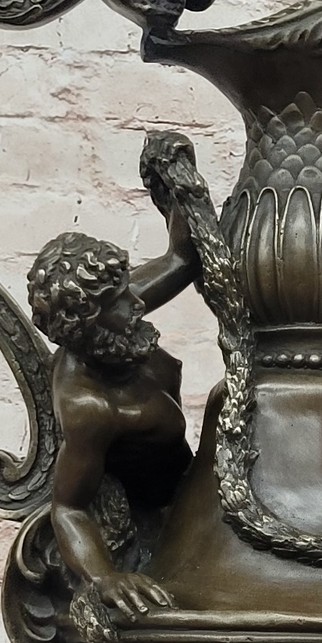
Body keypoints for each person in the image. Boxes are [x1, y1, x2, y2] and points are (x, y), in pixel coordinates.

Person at [28, 213, 198, 614]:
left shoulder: (118, 323)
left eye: (125, 288)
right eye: (119, 300)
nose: (137, 301)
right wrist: (103, 576)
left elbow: (182, 258)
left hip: (197, 479)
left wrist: (174, 188)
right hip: (164, 520)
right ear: (88, 324)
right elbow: (69, 508)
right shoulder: (90, 407)